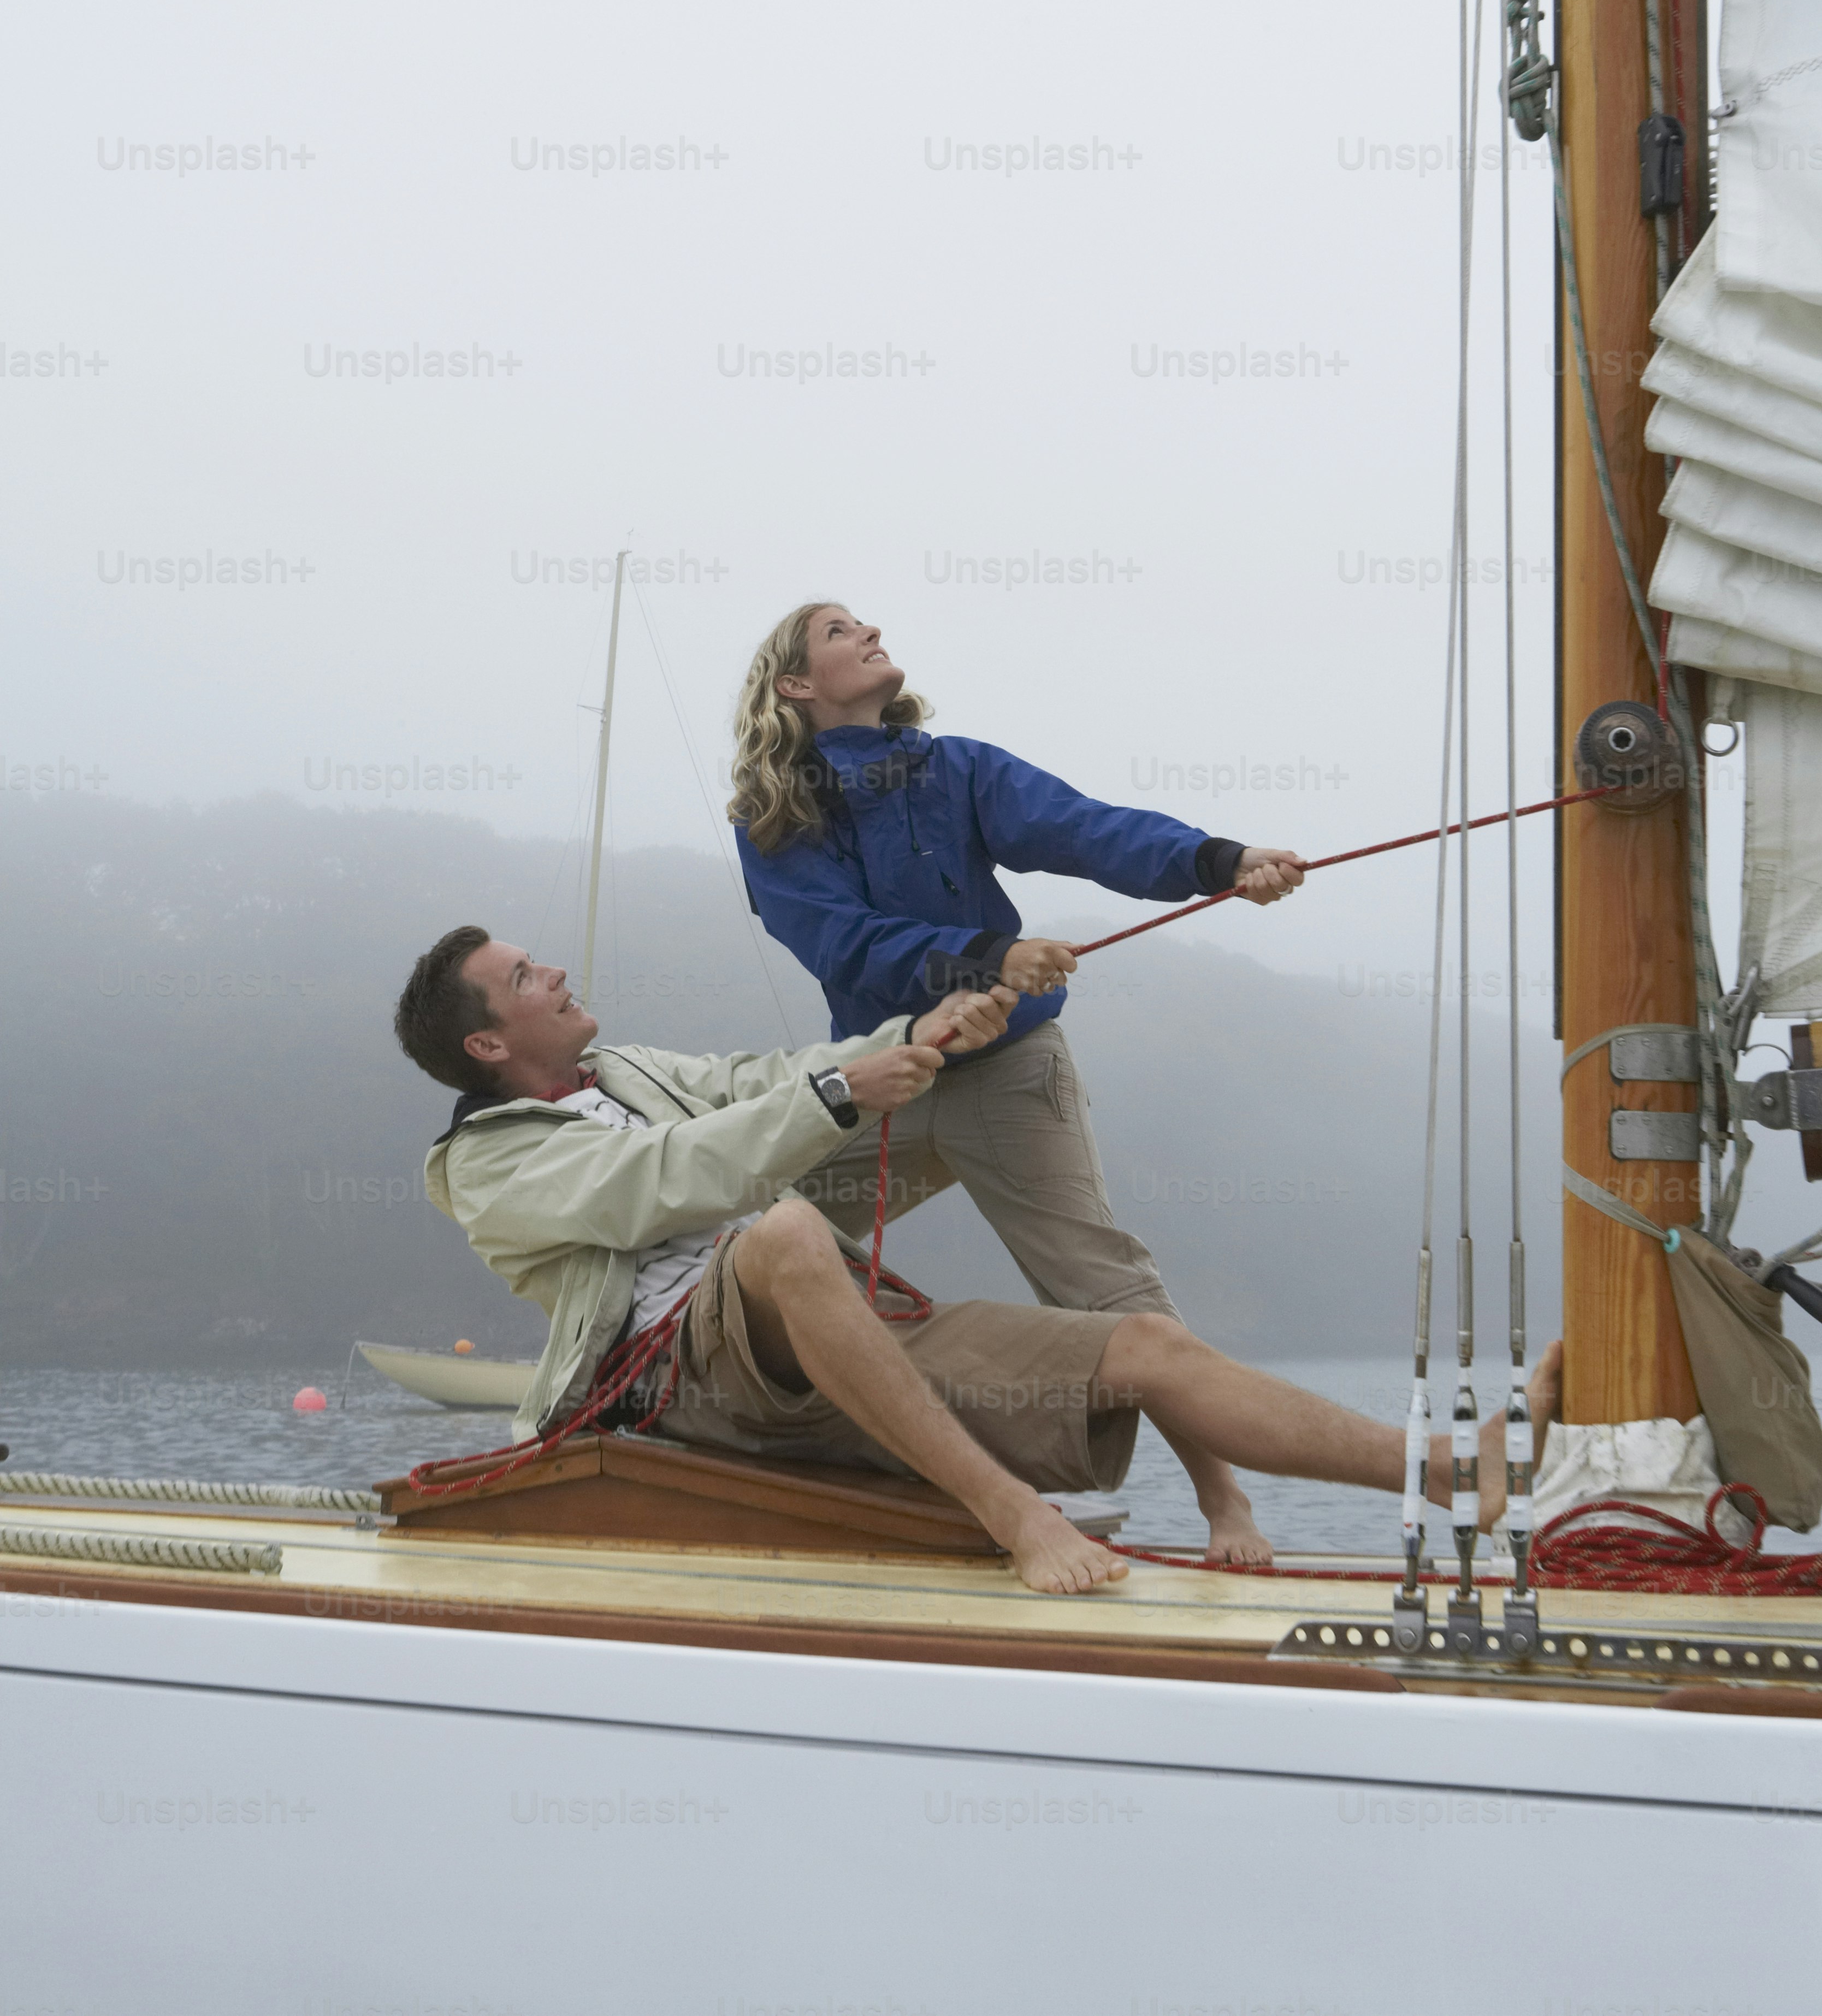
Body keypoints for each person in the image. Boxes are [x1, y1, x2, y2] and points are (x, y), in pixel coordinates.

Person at [398, 926, 1558, 1592]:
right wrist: (841, 1095)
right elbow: (668, 1177)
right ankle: (1014, 1514)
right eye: (525, 976)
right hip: (673, 1378)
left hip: (820, 1319)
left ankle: (1448, 1469)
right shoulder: (486, 1163)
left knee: (1144, 1345)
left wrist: (920, 1034)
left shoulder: (631, 1070)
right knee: (784, 1230)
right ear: (488, 1041)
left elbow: (764, 1078)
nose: (555, 972)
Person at [727, 600, 1308, 1557]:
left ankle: (1224, 1500)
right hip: (883, 1080)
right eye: (838, 631)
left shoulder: (959, 770)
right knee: (740, 1248)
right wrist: (990, 956)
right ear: (795, 684)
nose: (869, 630)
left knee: (1102, 1282)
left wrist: (1221, 861)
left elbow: (1086, 831)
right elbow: (843, 943)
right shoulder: (773, 820)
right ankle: (757, 1455)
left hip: (1009, 1073)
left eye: (863, 622)